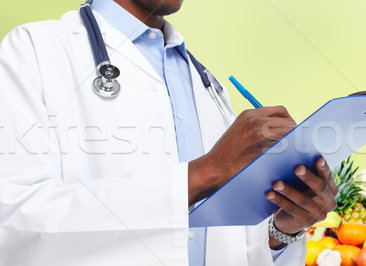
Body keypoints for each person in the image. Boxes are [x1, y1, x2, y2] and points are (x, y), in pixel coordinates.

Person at [0, 0, 336, 265]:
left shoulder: (205, 83)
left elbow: (220, 239)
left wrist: (283, 229)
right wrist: (207, 171)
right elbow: (15, 222)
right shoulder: (34, 51)